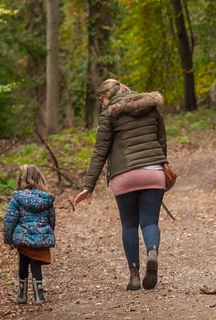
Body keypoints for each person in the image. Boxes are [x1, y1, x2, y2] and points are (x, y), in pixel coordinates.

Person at [74, 79, 168, 291]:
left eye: (101, 100)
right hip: (153, 172)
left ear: (107, 96)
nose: (101, 104)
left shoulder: (109, 114)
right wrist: (161, 164)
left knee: (129, 224)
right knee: (150, 221)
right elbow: (161, 139)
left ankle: (134, 276)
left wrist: (89, 186)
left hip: (124, 175)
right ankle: (152, 251)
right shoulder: (150, 107)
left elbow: (100, 151)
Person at [3, 165, 56, 304]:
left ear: (21, 179)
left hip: (22, 237)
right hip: (41, 236)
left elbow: (10, 219)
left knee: (23, 263)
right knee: (36, 264)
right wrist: (47, 233)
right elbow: (52, 219)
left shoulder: (17, 198)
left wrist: (8, 239)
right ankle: (39, 296)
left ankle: (22, 295)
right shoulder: (46, 199)